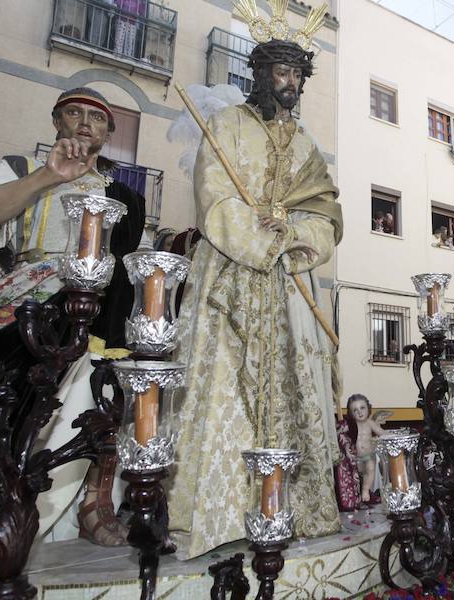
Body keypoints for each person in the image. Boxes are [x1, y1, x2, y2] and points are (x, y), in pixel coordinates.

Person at [166, 4, 343, 560]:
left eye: (297, 76)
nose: (288, 85)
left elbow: (328, 214)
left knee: (294, 387)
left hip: (289, 282)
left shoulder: (308, 146)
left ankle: (292, 508)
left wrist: (292, 232)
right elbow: (214, 198)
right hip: (231, 270)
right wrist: (261, 237)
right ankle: (216, 515)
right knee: (221, 384)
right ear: (262, 74)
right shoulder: (225, 126)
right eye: (280, 74)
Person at [0, 87, 147, 546]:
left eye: (97, 118)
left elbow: (121, 267)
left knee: (104, 403)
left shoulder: (122, 195)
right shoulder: (21, 169)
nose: (85, 123)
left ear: (108, 133)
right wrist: (48, 176)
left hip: (94, 319)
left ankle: (89, 505)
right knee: (5, 416)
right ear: (56, 120)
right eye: (74, 113)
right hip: (24, 316)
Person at [347, 393, 387, 503]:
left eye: (362, 408)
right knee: (358, 473)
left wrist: (391, 434)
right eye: (355, 410)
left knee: (369, 469)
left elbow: (381, 432)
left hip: (368, 455)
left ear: (368, 408)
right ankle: (358, 492)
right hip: (356, 456)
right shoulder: (352, 425)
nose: (359, 412)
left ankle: (365, 491)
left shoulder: (370, 423)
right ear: (351, 413)